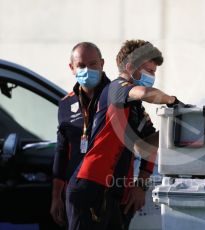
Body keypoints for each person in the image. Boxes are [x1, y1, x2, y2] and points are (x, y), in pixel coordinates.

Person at [66, 39, 184, 230]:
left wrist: (175, 128)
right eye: (150, 71)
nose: (153, 76)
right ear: (130, 67)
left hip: (114, 191)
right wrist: (173, 102)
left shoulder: (135, 108)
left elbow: (147, 145)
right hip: (90, 187)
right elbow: (145, 91)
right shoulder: (116, 88)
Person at [50, 42, 111, 227]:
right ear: (72, 68)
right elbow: (61, 152)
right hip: (77, 193)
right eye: (81, 66)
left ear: (102, 64)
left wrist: (139, 186)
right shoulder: (66, 104)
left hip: (111, 190)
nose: (88, 70)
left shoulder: (118, 96)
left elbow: (144, 137)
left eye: (93, 64)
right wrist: (56, 197)